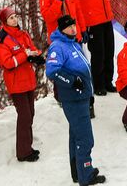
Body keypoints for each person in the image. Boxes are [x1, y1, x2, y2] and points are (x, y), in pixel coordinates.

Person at [45, 15, 106, 186]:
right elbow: (52, 71)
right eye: (69, 27)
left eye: (74, 25)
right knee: (85, 139)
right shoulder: (58, 46)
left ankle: (77, 173)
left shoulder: (73, 43)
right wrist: (72, 81)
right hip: (74, 99)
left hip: (82, 97)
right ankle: (86, 175)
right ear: (61, 29)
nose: (73, 29)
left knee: (76, 137)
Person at [40, 0, 94, 117]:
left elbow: (77, 10)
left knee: (80, 66)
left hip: (74, 35)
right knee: (62, 68)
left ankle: (86, 96)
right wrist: (57, 2)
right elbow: (48, 17)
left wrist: (82, 29)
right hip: (59, 40)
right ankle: (61, 97)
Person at [0, 7, 45, 162]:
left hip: (28, 79)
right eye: (11, 18)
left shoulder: (23, 34)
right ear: (4, 21)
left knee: (30, 114)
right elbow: (7, 63)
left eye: (15, 16)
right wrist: (25, 55)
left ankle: (27, 147)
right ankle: (23, 153)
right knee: (25, 116)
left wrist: (37, 56)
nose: (15, 20)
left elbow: (31, 49)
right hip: (16, 83)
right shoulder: (1, 39)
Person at [68, 0, 120, 96]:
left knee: (109, 51)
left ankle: (108, 81)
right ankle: (98, 84)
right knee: (98, 54)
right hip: (92, 22)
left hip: (106, 18)